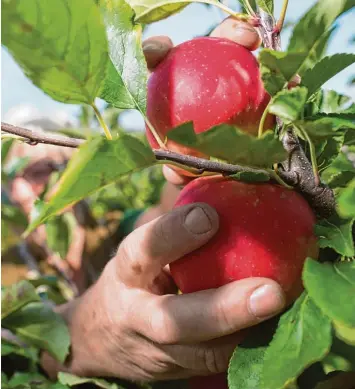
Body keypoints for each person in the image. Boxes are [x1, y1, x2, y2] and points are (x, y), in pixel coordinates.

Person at [36, 18, 286, 382]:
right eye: (28, 173)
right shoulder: (10, 271)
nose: (47, 184)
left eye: (56, 168)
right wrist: (87, 335)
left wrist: (200, 106)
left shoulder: (104, 232)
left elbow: (166, 220)